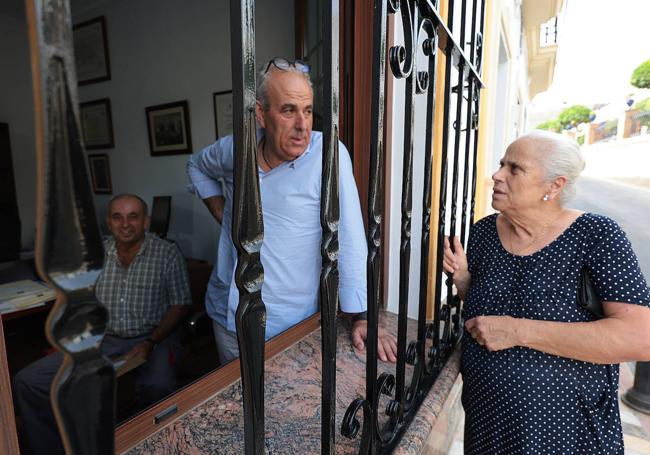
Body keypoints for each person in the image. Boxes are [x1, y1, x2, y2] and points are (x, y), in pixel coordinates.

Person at [442, 130, 650, 454]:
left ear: (554, 186)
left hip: (562, 432)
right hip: (487, 424)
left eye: (515, 169)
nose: (496, 176)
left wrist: (517, 331)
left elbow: (640, 338)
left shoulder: (597, 235)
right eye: (501, 165)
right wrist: (463, 278)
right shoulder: (483, 231)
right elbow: (486, 309)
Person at [187, 57, 397, 364]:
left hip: (286, 328)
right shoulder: (235, 150)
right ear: (261, 114)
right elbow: (196, 167)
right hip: (226, 318)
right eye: (288, 110)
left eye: (308, 111)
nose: (302, 126)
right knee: (234, 410)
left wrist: (363, 317)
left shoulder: (327, 155)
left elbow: (350, 240)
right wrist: (223, 214)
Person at [13, 194, 192, 455]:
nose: (125, 224)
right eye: (117, 217)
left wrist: (150, 342)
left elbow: (180, 304)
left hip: (154, 337)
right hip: (102, 338)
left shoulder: (167, 253)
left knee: (158, 386)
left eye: (133, 216)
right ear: (109, 222)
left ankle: (149, 445)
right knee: (28, 380)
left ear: (146, 222)